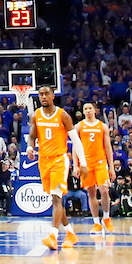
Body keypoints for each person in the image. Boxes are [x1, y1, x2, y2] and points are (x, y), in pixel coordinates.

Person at [28, 85, 86, 250]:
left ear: (53, 96)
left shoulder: (63, 115)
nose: (44, 96)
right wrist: (29, 148)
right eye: (41, 94)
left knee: (56, 198)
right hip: (43, 160)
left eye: (47, 93)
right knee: (55, 199)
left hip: (60, 160)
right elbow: (32, 136)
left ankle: (53, 235)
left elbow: (76, 141)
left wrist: (83, 163)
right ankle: (70, 233)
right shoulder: (36, 115)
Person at [78, 102, 116, 233]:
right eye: (85, 109)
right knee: (91, 193)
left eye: (90, 108)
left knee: (104, 190)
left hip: (100, 162)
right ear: (83, 112)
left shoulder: (102, 126)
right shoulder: (79, 126)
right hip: (86, 163)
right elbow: (76, 147)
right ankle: (96, 223)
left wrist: (112, 167)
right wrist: (76, 165)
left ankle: (106, 218)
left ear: (95, 110)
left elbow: (108, 147)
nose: (88, 111)